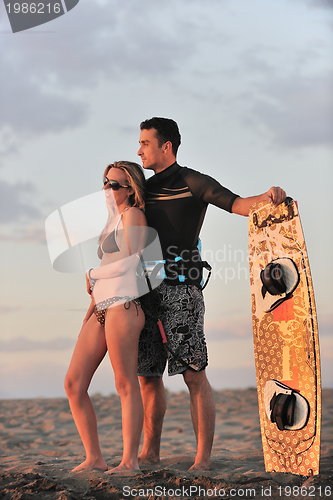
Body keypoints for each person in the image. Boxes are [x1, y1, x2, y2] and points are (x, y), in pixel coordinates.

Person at [136, 117, 286, 470]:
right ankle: (150, 452)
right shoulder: (142, 189)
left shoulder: (192, 181)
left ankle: (202, 459)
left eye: (145, 143)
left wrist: (268, 198)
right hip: (145, 292)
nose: (139, 149)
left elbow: (237, 205)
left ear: (165, 147)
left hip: (181, 292)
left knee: (193, 373)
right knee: (148, 376)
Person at [64, 161, 147, 473]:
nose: (107, 188)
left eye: (115, 184)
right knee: (73, 383)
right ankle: (94, 458)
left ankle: (130, 462)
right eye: (105, 182)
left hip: (124, 306)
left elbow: (129, 263)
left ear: (130, 189)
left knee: (125, 384)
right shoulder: (111, 220)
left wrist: (91, 271)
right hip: (100, 308)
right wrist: (88, 312)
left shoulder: (133, 215)